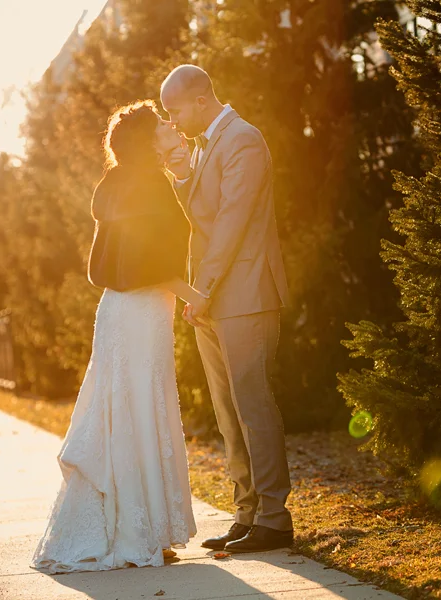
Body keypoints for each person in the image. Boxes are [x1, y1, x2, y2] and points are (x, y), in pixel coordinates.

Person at [31, 100, 203, 573]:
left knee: (125, 409)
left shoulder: (118, 183)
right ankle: (137, 533)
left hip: (117, 309)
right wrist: (195, 295)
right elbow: (149, 263)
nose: (171, 124)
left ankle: (137, 526)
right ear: (148, 141)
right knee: (140, 410)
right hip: (142, 308)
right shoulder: (149, 186)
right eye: (161, 125)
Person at [161, 65, 295, 553]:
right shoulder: (200, 147)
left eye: (174, 111)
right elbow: (204, 218)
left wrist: (203, 288)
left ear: (200, 100)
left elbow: (231, 222)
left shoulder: (244, 140)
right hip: (214, 298)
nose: (171, 122)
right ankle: (247, 512)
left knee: (253, 404)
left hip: (246, 294)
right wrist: (180, 175)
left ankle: (276, 519)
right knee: (226, 410)